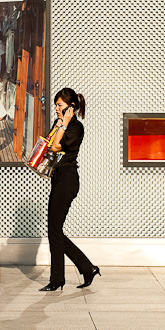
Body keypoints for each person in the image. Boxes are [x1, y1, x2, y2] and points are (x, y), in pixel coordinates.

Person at [40, 88, 101, 291]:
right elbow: (48, 145)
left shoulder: (76, 127)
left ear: (70, 108)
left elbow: (57, 147)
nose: (56, 108)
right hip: (57, 179)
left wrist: (63, 125)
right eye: (56, 105)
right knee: (54, 230)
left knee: (54, 230)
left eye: (60, 105)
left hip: (68, 180)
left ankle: (60, 278)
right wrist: (59, 125)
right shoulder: (59, 124)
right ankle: (85, 269)